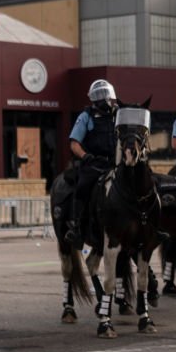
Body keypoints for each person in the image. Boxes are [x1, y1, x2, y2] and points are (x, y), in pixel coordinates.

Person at [64, 79, 118, 245]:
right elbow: (74, 143)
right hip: (94, 164)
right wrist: (85, 155)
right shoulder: (86, 116)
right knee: (82, 187)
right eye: (101, 97)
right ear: (95, 100)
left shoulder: (119, 114)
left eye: (106, 96)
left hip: (117, 162)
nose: (105, 100)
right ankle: (77, 227)